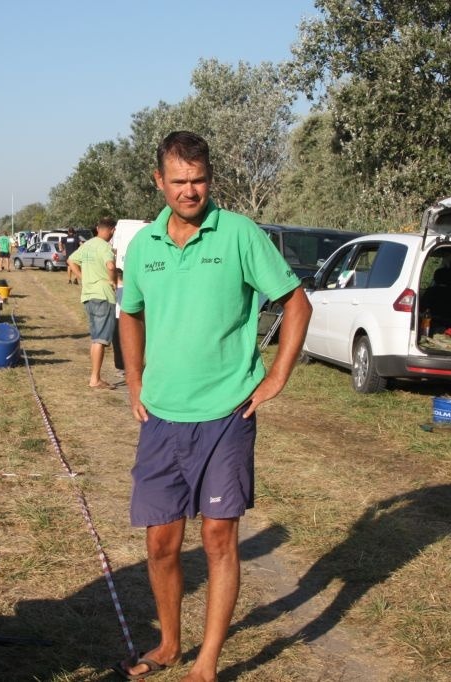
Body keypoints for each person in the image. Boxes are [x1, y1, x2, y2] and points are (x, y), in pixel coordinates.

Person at [117, 131, 311, 682]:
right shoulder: (144, 247)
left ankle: (207, 663)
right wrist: (133, 380)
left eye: (198, 180)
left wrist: (277, 376)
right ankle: (171, 643)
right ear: (159, 182)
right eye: (178, 181)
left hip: (227, 412)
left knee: (219, 537)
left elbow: (297, 303)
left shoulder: (241, 235)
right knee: (161, 542)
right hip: (161, 415)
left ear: (210, 179)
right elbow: (130, 313)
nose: (189, 191)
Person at [68, 217, 118, 389]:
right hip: (103, 296)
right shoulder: (105, 247)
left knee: (96, 337)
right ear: (112, 230)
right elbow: (111, 267)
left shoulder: (87, 245)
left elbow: (71, 260)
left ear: (97, 228)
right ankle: (95, 379)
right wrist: (113, 281)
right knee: (101, 339)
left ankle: (94, 376)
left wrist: (82, 277)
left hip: (88, 295)